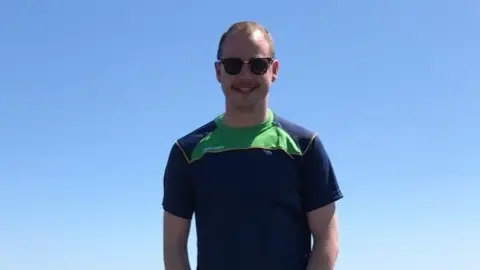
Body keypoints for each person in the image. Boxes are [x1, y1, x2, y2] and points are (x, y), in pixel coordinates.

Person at [162, 21, 343, 270]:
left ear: (274, 69)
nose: (245, 76)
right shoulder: (188, 152)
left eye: (258, 65)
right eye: (233, 65)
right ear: (218, 71)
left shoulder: (305, 147)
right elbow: (174, 246)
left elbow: (327, 237)